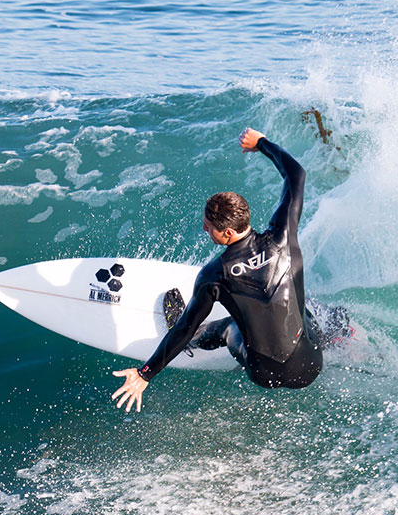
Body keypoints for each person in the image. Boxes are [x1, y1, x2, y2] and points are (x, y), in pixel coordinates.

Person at [111, 127, 323, 412]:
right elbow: (296, 174)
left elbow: (184, 329)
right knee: (300, 308)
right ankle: (335, 333)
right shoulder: (283, 236)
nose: (204, 229)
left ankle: (203, 340)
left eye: (208, 227)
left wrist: (144, 374)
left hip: (265, 375)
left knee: (226, 327)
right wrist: (261, 143)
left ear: (227, 233)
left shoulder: (214, 274)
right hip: (309, 367)